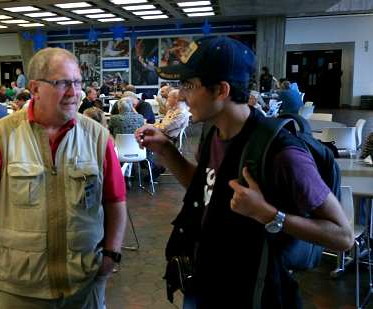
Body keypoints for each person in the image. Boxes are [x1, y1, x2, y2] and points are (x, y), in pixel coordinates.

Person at [138, 36, 353, 308]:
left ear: (221, 90)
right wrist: (167, 151)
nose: (181, 95)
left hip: (255, 293)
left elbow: (343, 236)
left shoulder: (282, 154)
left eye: (190, 85)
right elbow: (206, 188)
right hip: (208, 281)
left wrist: (270, 216)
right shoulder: (213, 132)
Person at [0, 47, 127, 308]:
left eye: (77, 82)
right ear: (36, 89)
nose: (74, 92)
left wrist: (112, 253)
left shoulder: (97, 137)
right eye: (62, 83)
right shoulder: (0, 137)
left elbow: (115, 200)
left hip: (84, 285)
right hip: (20, 288)